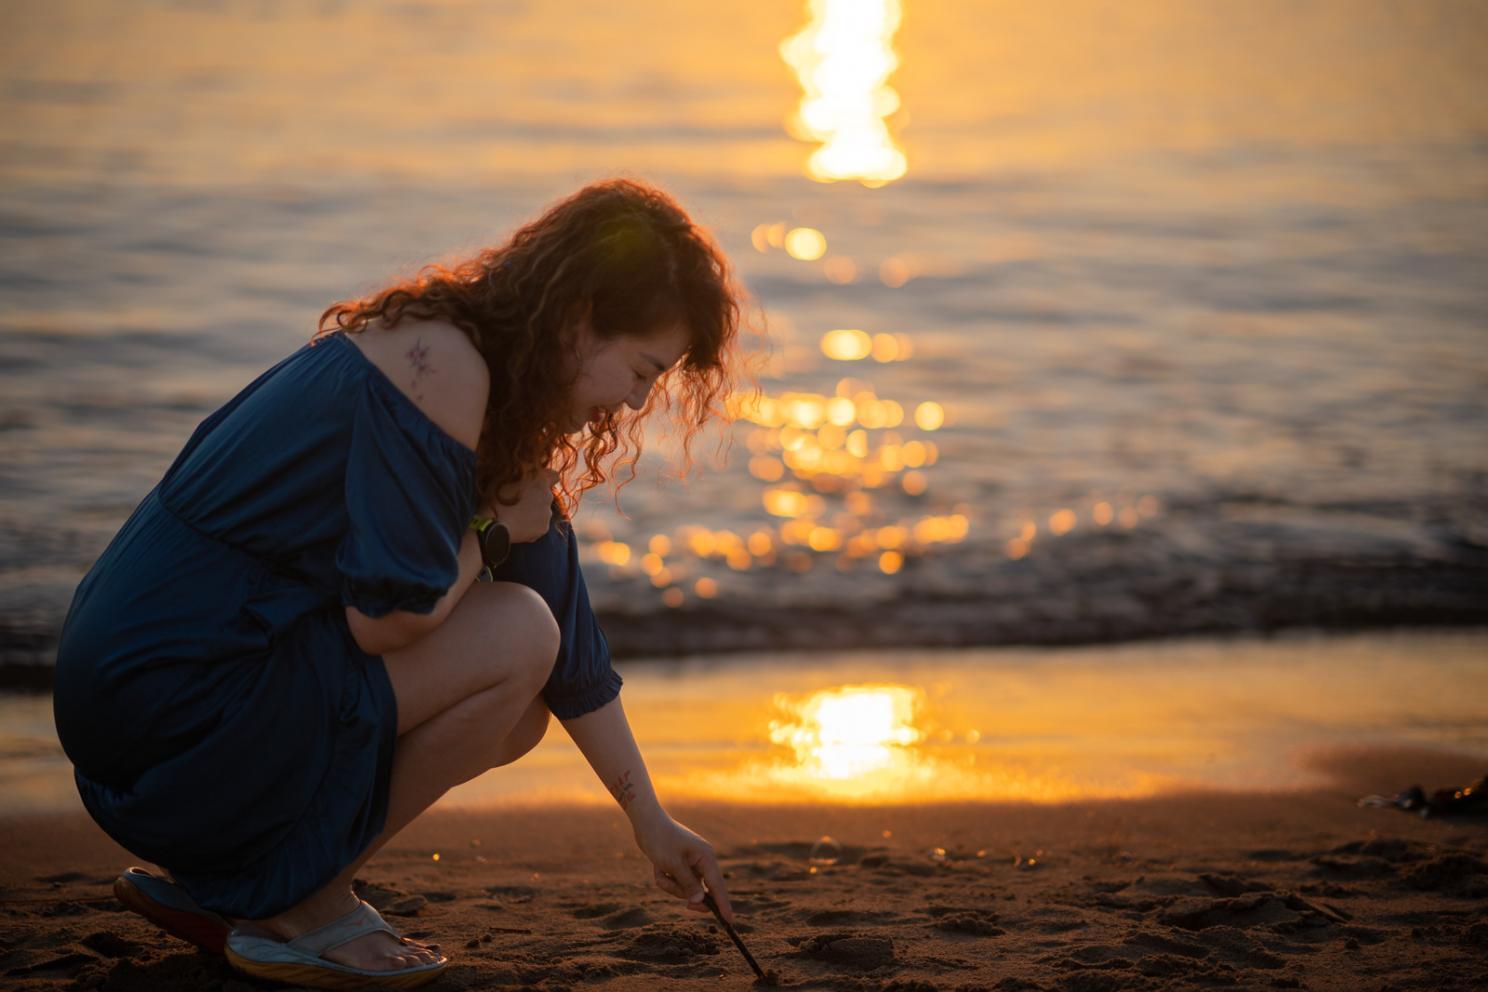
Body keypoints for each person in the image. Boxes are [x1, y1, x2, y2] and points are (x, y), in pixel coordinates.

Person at [52, 178, 745, 990]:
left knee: (520, 710)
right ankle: (299, 898)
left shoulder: (497, 389)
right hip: (164, 702)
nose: (635, 403)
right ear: (579, 319)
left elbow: (571, 641)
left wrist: (650, 823)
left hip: (182, 699)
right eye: (640, 370)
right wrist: (488, 532)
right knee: (515, 634)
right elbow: (385, 618)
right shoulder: (440, 366)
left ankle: (261, 884)